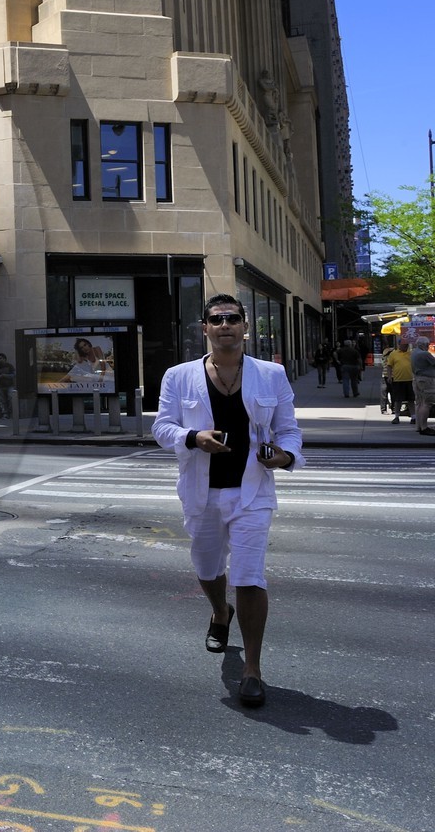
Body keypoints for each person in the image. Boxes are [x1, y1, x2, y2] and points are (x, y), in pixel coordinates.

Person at [152, 294, 303, 709]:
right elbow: (162, 427)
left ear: (245, 326)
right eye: (216, 320)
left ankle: (252, 669)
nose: (225, 326)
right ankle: (221, 612)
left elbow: (288, 430)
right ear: (204, 328)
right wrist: (192, 437)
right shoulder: (179, 376)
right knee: (206, 567)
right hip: (201, 492)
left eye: (232, 319)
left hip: (252, 492)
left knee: (250, 577)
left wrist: (285, 456)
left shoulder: (271, 374)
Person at [382, 338, 416, 420]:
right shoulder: (393, 354)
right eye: (404, 345)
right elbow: (389, 366)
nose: (406, 346)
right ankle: (396, 416)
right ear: (399, 345)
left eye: (406, 345)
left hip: (410, 380)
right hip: (398, 380)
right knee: (398, 399)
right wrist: (390, 376)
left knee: (411, 400)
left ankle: (413, 417)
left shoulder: (411, 354)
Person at [412, 337, 435, 437]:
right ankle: (424, 427)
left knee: (420, 403)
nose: (428, 346)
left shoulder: (414, 353)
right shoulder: (425, 354)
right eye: (427, 345)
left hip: (417, 379)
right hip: (427, 380)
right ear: (423, 345)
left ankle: (419, 426)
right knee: (427, 404)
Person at [0, 353, 16, 419]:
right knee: (2, 401)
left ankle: (11, 413)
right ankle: (5, 414)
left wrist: (5, 376)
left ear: (5, 359)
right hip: (1, 386)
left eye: (0, 358)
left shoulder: (9, 366)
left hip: (10, 386)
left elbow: (14, 375)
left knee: (10, 399)